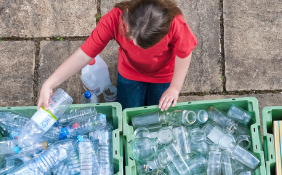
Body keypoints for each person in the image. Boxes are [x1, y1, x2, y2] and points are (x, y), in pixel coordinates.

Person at [38, 0, 197, 111]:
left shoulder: (176, 24)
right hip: (130, 72)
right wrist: (49, 84)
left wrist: (175, 88)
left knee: (156, 112)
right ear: (127, 14)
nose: (134, 45)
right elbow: (83, 55)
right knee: (128, 109)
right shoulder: (114, 19)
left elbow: (184, 54)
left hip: (164, 74)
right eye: (130, 37)